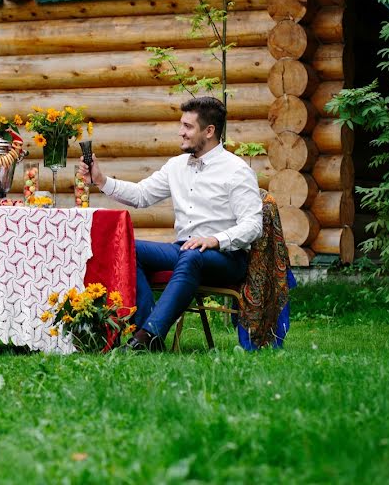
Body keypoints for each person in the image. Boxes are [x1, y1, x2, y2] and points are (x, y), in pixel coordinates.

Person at [77, 96, 263, 352]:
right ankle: (142, 332)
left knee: (192, 257)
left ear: (209, 131)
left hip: (226, 257)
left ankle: (150, 335)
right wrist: (100, 180)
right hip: (184, 249)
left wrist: (215, 239)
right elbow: (142, 195)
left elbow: (253, 225)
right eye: (181, 125)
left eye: (188, 127)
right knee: (126, 247)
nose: (180, 132)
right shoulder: (176, 166)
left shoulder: (236, 170)